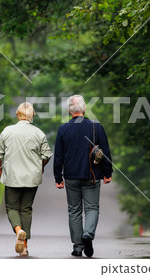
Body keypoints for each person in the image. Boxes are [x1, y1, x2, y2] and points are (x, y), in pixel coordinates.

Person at [54, 95, 113, 257]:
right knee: (92, 208)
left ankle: (78, 247)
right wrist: (108, 173)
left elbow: (58, 156)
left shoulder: (63, 129)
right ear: (84, 109)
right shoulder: (97, 127)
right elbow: (105, 152)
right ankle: (88, 234)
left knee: (74, 211)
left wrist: (58, 178)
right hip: (92, 175)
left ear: (69, 111)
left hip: (71, 176)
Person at [0, 102, 52, 256]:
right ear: (32, 115)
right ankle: (24, 247)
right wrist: (41, 166)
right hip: (32, 177)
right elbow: (47, 155)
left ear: (18, 114)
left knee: (12, 208)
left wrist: (0, 169)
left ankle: (18, 230)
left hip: (12, 176)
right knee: (26, 209)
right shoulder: (39, 133)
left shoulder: (7, 131)